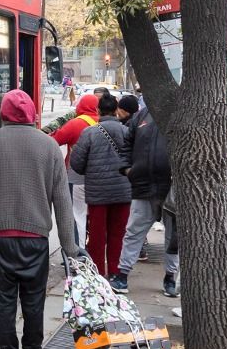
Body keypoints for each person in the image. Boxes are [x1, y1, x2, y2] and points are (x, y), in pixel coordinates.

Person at [0, 89, 79, 349]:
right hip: (35, 239)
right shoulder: (47, 146)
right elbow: (62, 202)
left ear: (3, 114)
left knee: (5, 305)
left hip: (0, 238)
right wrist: (69, 248)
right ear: (32, 114)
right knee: (33, 305)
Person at [109, 104, 179, 298]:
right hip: (144, 185)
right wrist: (127, 169)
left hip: (171, 187)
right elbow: (127, 144)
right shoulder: (141, 116)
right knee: (134, 231)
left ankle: (171, 277)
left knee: (173, 237)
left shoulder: (178, 113)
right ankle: (122, 276)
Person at [70, 93, 132, 279]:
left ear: (98, 110)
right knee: (117, 234)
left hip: (97, 194)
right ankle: (115, 272)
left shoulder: (89, 133)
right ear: (116, 111)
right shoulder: (127, 132)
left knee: (97, 236)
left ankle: (97, 274)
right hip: (123, 192)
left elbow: (77, 164)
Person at [51, 94, 99, 244]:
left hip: (76, 175)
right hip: (101, 178)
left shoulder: (75, 124)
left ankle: (79, 251)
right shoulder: (104, 123)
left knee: (76, 214)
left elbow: (54, 140)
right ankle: (94, 251)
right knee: (96, 216)